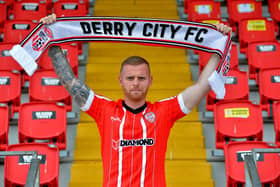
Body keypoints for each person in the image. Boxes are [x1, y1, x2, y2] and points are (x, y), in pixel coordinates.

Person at [41, 14, 232, 187]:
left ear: (150, 81)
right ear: (121, 81)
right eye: (130, 78)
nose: (136, 83)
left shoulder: (163, 112)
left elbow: (202, 86)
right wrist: (53, 41)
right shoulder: (105, 109)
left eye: (141, 78)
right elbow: (71, 83)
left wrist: (218, 48)